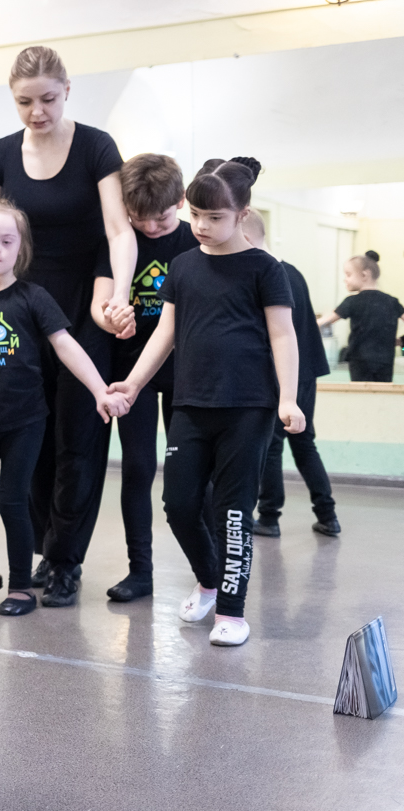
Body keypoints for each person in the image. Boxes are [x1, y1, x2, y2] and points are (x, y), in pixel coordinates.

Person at [109, 157, 305, 647]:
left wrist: (288, 398)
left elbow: (283, 336)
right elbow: (165, 334)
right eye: (195, 214)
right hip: (191, 404)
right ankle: (208, 581)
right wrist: (133, 384)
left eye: (214, 217)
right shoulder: (183, 266)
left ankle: (233, 612)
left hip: (248, 407)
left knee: (233, 511)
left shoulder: (265, 269)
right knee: (178, 503)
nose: (201, 225)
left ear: (242, 214)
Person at [0, 45, 138, 608]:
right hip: (21, 310)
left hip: (83, 303)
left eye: (47, 98)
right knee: (30, 436)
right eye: (25, 102)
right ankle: (45, 547)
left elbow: (118, 230)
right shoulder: (1, 153)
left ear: (67, 90)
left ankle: (66, 560)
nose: (37, 111)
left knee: (78, 439)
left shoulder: (96, 146)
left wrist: (118, 295)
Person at [0, 201, 128, 617]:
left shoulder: (33, 298)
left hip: (24, 422)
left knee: (11, 502)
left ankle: (21, 586)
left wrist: (99, 391)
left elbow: (66, 346)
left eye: (6, 242)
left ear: (20, 249)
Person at [90, 154, 199, 602]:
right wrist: (111, 318)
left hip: (186, 373)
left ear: (181, 201)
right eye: (140, 219)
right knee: (137, 468)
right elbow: (99, 304)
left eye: (162, 218)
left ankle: (207, 568)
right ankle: (141, 570)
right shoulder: (119, 241)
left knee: (192, 474)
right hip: (131, 371)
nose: (151, 228)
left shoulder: (195, 241)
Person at [243, 211, 340, 538]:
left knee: (271, 446)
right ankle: (327, 514)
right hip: (307, 372)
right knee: (304, 442)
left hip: (283, 374)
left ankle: (269, 517)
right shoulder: (293, 272)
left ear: (245, 237)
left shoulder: (264, 274)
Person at [318, 251, 404, 382]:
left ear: (364, 275)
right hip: (385, 360)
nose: (345, 279)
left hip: (360, 361)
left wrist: (303, 323)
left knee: (361, 392)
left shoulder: (352, 301)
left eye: (348, 275)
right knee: (383, 392)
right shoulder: (392, 302)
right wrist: (401, 341)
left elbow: (327, 321)